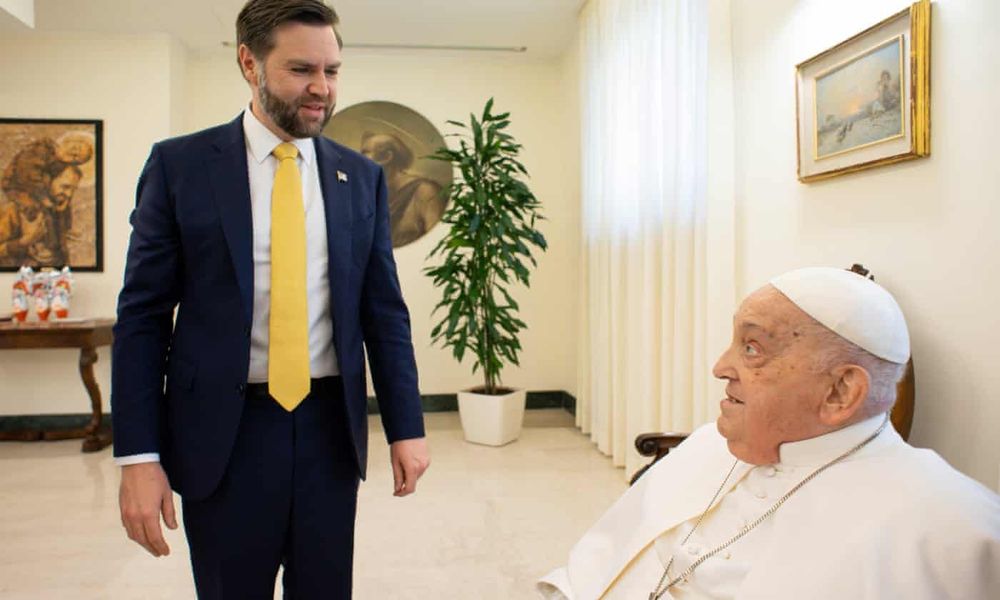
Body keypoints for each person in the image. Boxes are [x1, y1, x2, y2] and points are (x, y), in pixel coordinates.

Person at [111, 1, 429, 598]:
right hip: (222, 436)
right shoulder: (180, 167)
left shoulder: (359, 177)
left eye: (332, 71)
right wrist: (138, 455)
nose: (321, 89)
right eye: (301, 69)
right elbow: (143, 319)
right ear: (248, 63)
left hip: (328, 430)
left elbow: (383, 311)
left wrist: (407, 426)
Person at [539, 267, 1000, 599]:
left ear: (841, 391)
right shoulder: (705, 444)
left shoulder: (952, 528)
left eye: (752, 348)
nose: (721, 367)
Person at [359, 131, 444, 247]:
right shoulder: (369, 193)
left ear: (387, 157)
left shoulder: (425, 192)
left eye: (365, 153)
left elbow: (438, 241)